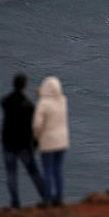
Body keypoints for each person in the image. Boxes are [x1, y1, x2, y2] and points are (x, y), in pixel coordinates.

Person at [0, 73, 49, 209]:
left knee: (11, 174)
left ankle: (15, 202)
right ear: (24, 86)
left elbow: (3, 102)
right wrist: (35, 142)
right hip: (22, 144)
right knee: (33, 172)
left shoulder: (7, 101)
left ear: (14, 84)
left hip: (8, 143)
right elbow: (31, 127)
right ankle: (46, 197)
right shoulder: (27, 106)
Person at [33, 76, 69, 207]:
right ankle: (59, 198)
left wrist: (36, 138)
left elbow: (37, 125)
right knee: (58, 170)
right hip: (62, 141)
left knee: (48, 170)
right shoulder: (63, 100)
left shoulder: (43, 103)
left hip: (48, 141)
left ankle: (47, 199)